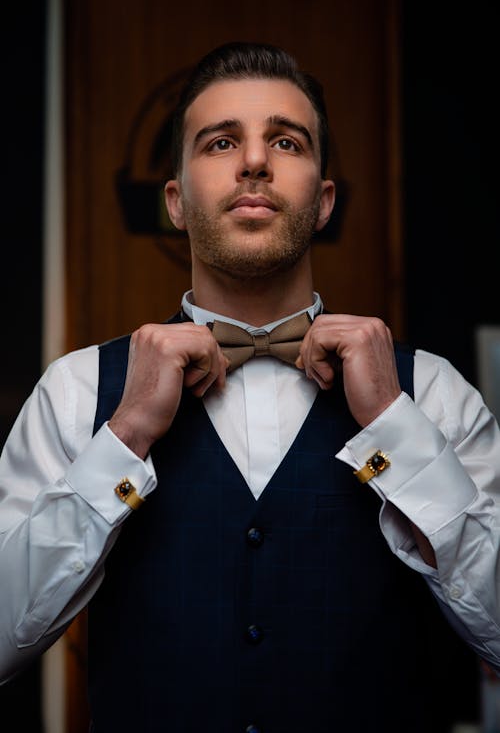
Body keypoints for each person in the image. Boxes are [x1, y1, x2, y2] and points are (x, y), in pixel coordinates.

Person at [0, 41, 499, 732]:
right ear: (176, 201)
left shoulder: (434, 392)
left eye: (287, 142)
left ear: (323, 202)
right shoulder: (78, 390)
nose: (255, 161)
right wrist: (125, 438)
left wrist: (395, 427)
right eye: (221, 142)